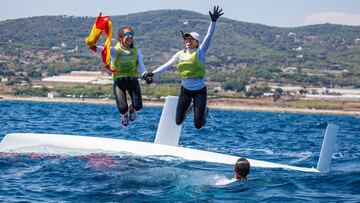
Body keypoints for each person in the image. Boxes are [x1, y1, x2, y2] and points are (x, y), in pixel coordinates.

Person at [145, 6, 224, 129]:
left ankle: (204, 112)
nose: (188, 40)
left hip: (200, 91)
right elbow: (167, 65)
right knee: (178, 121)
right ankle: (192, 108)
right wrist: (153, 73)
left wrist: (213, 22)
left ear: (197, 42)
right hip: (185, 91)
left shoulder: (200, 52)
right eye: (187, 38)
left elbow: (209, 36)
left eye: (191, 38)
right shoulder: (179, 54)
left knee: (198, 125)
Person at [91, 27, 153, 126]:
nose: (130, 36)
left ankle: (131, 109)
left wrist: (146, 76)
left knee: (138, 107)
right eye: (127, 34)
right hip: (120, 82)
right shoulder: (115, 50)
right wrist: (92, 45)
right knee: (122, 109)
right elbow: (101, 50)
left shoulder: (137, 51)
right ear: (121, 37)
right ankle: (124, 115)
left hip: (133, 81)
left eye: (132, 34)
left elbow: (142, 66)